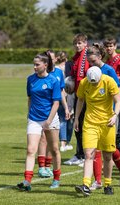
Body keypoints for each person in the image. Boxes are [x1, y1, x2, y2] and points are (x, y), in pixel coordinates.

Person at [85, 43, 120, 190]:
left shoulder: (109, 70)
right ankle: (97, 181)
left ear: (100, 57)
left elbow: (118, 94)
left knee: (109, 150)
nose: (91, 65)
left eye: (93, 61)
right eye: (89, 62)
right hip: (93, 117)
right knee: (94, 149)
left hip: (110, 116)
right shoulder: (90, 71)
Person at [17, 51, 62, 191]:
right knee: (31, 150)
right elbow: (30, 98)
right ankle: (27, 181)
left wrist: (48, 121)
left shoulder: (53, 80)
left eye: (37, 64)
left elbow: (56, 103)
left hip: (50, 119)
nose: (34, 67)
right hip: (34, 119)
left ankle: (56, 179)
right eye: (34, 64)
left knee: (54, 149)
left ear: (45, 64)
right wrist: (29, 114)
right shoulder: (30, 79)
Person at [74, 66, 120, 196]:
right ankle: (86, 185)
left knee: (107, 155)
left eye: (96, 82)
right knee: (89, 154)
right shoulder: (84, 83)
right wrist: (77, 118)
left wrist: (115, 115)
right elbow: (80, 100)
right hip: (90, 123)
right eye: (92, 82)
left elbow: (118, 100)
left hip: (107, 123)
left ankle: (107, 184)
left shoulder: (109, 81)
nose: (93, 84)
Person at [36, 50, 70, 179]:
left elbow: (61, 91)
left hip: (54, 110)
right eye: (48, 58)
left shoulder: (58, 73)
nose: (50, 60)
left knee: (52, 141)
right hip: (42, 110)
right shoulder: (40, 72)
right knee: (42, 138)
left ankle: (48, 166)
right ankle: (41, 167)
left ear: (55, 60)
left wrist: (66, 108)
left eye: (52, 58)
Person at [64, 33, 90, 166]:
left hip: (86, 96)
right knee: (77, 124)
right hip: (78, 95)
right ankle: (80, 154)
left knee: (84, 125)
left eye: (80, 43)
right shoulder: (76, 58)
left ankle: (87, 155)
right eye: (75, 43)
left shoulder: (87, 56)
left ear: (85, 43)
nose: (77, 45)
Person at [56, 51, 74, 152]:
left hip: (59, 96)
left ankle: (62, 143)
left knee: (62, 119)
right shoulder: (70, 66)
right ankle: (67, 142)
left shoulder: (56, 69)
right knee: (70, 119)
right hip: (70, 96)